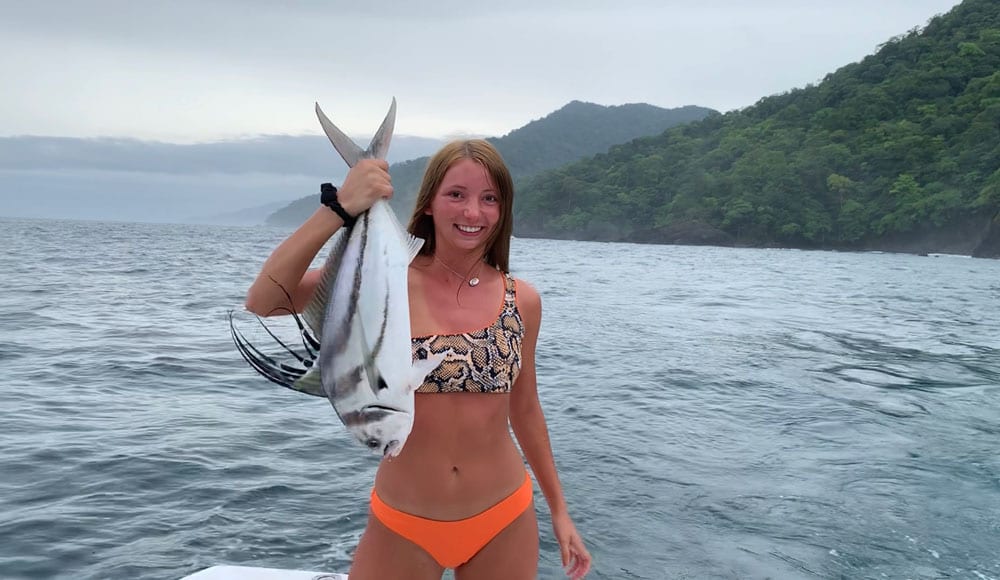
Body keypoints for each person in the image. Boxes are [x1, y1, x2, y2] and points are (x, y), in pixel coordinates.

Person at [244, 140, 591, 579]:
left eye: (490, 199)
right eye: (456, 194)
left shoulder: (522, 300)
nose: (472, 212)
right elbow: (263, 300)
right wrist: (339, 208)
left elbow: (526, 411)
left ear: (503, 211)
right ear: (428, 203)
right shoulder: (381, 284)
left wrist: (559, 510)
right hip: (403, 522)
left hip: (504, 515)